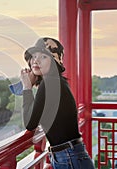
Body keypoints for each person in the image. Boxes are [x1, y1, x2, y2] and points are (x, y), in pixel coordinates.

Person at [20, 37, 94, 169]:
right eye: (34, 56)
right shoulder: (55, 82)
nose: (36, 60)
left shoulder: (50, 83)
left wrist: (27, 87)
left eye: (43, 57)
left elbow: (30, 123)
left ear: (54, 62)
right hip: (70, 155)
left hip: (69, 157)